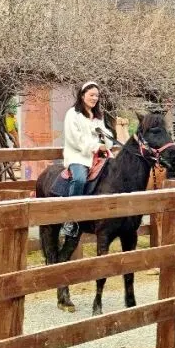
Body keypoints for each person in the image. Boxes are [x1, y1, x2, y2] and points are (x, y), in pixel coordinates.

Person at [61, 82, 111, 237]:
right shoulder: (72, 114)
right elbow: (75, 139)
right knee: (80, 179)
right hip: (78, 156)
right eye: (91, 95)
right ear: (82, 95)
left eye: (97, 95)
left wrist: (107, 143)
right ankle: (70, 220)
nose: (95, 98)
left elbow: (106, 134)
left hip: (99, 156)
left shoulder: (97, 117)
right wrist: (96, 146)